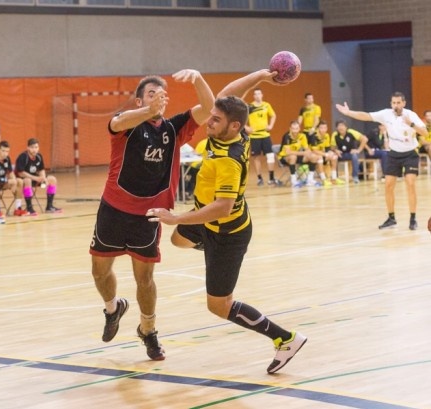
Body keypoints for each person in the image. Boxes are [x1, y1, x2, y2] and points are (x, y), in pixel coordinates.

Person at [145, 69, 307, 374]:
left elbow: (222, 207)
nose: (209, 121)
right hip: (208, 222)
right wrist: (260, 75)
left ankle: (285, 339)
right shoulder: (233, 129)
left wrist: (176, 216)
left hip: (228, 232)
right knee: (178, 239)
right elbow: (229, 95)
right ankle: (209, 250)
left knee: (218, 305)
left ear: (234, 126)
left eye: (216, 119)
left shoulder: (230, 159)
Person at [89, 69, 214, 361]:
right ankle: (112, 308)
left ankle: (149, 330)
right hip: (114, 209)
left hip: (149, 214)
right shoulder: (127, 123)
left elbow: (209, 108)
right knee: (99, 271)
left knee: (144, 279)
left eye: (162, 94)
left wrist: (197, 78)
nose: (159, 98)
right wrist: (148, 111)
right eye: (151, 93)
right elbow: (116, 122)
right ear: (138, 100)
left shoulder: (173, 129)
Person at [336, 92, 429, 230]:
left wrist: (412, 124)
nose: (396, 105)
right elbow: (366, 116)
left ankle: (413, 218)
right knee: (388, 185)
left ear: (404, 103)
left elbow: (425, 133)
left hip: (410, 154)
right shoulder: (386, 114)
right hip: (393, 154)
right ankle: (391, 218)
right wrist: (349, 113)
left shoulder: (411, 115)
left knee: (410, 184)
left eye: (398, 103)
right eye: (393, 103)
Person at [15, 138, 61, 215]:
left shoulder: (39, 156)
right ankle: (29, 208)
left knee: (52, 179)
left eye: (36, 147)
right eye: (32, 147)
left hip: (35, 179)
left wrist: (43, 178)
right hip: (23, 180)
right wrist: (35, 178)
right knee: (27, 180)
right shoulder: (23, 157)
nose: (34, 150)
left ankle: (49, 207)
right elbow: (21, 173)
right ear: (28, 148)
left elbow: (41, 169)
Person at [246, 88, 280, 186]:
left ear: (262, 95)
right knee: (256, 158)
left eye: (259, 93)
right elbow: (241, 118)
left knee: (270, 156)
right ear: (253, 96)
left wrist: (271, 125)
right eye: (255, 94)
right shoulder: (250, 107)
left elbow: (273, 115)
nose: (257, 95)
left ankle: (271, 178)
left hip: (265, 135)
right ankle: (260, 178)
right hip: (254, 136)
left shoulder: (266, 105)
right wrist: (246, 127)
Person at [277, 120, 321, 187]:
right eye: (293, 128)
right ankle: (294, 181)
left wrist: (308, 152)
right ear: (290, 129)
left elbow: (307, 149)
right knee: (293, 156)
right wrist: (303, 153)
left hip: (296, 155)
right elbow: (288, 152)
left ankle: (310, 179)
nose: (295, 130)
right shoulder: (286, 136)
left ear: (299, 128)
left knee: (314, 156)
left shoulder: (302, 136)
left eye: (297, 128)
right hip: (284, 157)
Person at [0, 140, 23, 217]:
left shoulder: (7, 159)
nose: (5, 153)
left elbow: (11, 173)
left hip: (3, 182)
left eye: (7, 151)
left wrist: (14, 181)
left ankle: (18, 208)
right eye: (3, 151)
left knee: (19, 181)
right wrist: (11, 181)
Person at [309, 120, 342, 186]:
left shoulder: (327, 135)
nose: (323, 130)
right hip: (313, 156)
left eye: (325, 128)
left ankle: (334, 178)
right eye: (321, 128)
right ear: (318, 128)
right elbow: (314, 151)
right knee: (320, 157)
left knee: (334, 156)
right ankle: (323, 179)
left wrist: (330, 153)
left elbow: (327, 148)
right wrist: (325, 154)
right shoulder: (314, 136)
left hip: (323, 154)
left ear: (327, 128)